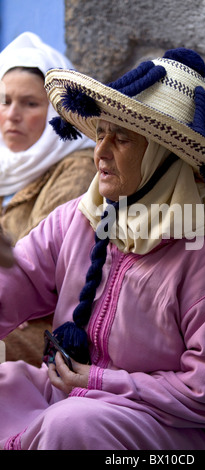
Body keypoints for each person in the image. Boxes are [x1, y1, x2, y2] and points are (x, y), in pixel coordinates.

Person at [0, 48, 205, 450]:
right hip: (72, 397)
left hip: (177, 427)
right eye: (101, 133)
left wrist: (98, 380)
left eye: (121, 138)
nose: (100, 152)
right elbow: (13, 281)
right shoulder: (79, 219)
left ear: (166, 159)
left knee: (70, 426)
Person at [0, 32, 96, 365]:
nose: (12, 115)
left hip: (43, 332)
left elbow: (40, 270)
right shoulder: (5, 166)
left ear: (58, 112)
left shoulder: (78, 168)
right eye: (5, 101)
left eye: (29, 103)